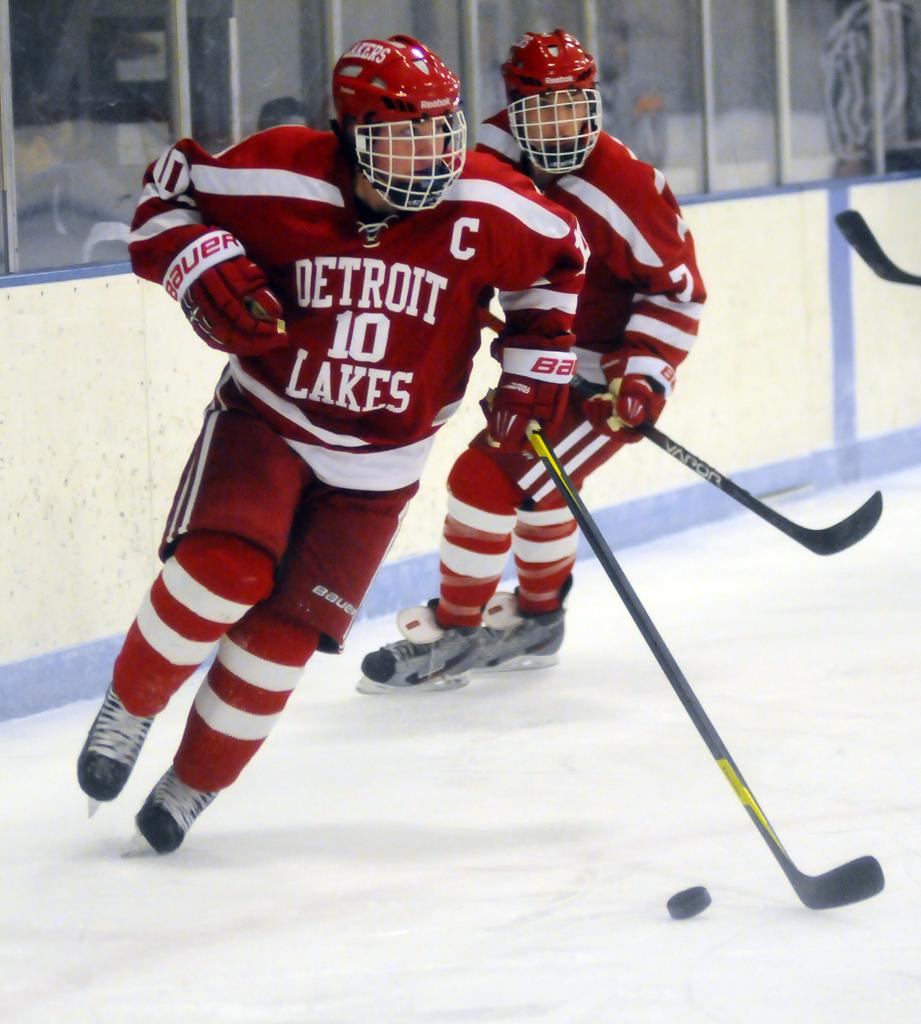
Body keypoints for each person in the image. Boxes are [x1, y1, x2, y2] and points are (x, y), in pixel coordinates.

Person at [76, 34, 586, 853]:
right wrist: (200, 257)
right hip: (270, 418)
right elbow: (165, 198)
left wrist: (533, 370)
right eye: (401, 138)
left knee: (282, 635)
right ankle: (129, 707)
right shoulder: (276, 172)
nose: (428, 159)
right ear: (348, 136)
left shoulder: (488, 204)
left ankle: (192, 784)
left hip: (384, 461)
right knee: (224, 570)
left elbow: (556, 267)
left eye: (439, 134)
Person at [359, 29, 706, 695]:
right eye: (540, 112)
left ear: (594, 104)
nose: (559, 127)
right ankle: (537, 620)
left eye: (572, 108)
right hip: (535, 359)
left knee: (485, 478)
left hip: (602, 375)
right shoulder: (483, 157)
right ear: (512, 111)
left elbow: (676, 289)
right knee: (541, 483)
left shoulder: (623, 186)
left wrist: (643, 372)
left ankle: (455, 632)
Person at [822, 0, 921, 176]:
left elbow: (844, 92)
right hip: (887, 151)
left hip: (893, 151)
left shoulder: (856, 25)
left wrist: (850, 151)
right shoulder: (905, 17)